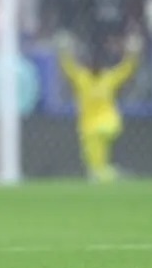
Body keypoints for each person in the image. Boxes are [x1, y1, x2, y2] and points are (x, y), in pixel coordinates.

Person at [57, 32, 141, 182]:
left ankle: (109, 174)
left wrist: (133, 54)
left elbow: (126, 70)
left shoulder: (108, 78)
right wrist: (64, 52)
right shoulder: (83, 78)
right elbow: (68, 68)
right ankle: (112, 175)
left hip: (106, 123)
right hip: (88, 126)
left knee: (97, 163)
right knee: (95, 167)